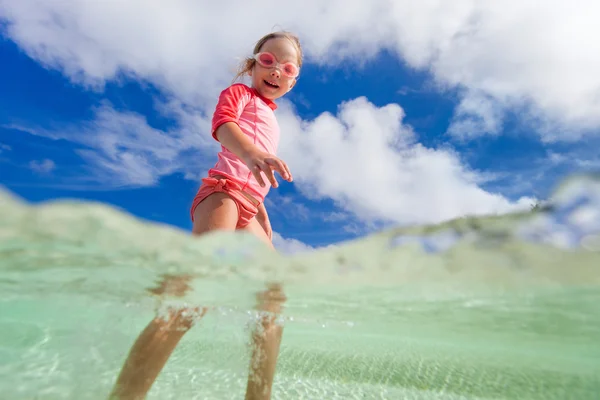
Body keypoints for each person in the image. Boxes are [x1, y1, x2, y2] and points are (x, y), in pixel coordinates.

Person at [108, 30, 303, 400]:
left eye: (286, 67)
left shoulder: (273, 119)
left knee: (274, 295)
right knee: (193, 294)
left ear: (292, 82)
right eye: (267, 61)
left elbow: (256, 177)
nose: (276, 70)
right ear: (252, 65)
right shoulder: (240, 94)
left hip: (249, 207)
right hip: (222, 193)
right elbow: (224, 126)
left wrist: (262, 214)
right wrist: (251, 153)